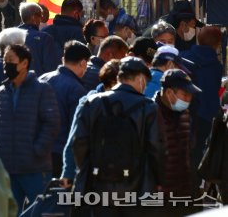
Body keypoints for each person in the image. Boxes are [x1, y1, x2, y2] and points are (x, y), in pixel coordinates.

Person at [72, 57, 160, 216]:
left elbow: (79, 143)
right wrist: (157, 182)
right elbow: (156, 148)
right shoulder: (148, 107)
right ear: (140, 78)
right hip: (137, 187)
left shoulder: (92, 103)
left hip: (98, 185)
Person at [0, 44, 60, 213]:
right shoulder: (3, 90)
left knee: (39, 210)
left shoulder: (42, 89)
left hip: (35, 166)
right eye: (4, 60)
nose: (6, 64)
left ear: (24, 63)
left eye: (10, 60)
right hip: (9, 165)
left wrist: (37, 149)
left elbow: (51, 123)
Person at [61, 59, 121, 189]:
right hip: (94, 173)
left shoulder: (129, 102)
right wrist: (68, 173)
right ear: (111, 83)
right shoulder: (89, 103)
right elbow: (74, 140)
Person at [40, 40, 90, 177]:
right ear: (83, 63)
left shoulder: (42, 79)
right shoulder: (77, 89)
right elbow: (76, 130)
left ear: (63, 59)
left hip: (38, 149)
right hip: (60, 153)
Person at [154, 69, 201, 216]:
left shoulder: (185, 115)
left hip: (183, 193)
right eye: (185, 95)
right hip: (158, 196)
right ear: (169, 93)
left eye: (190, 96)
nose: (188, 100)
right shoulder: (150, 114)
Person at [181, 26, 223, 165]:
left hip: (185, 110)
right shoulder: (216, 66)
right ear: (218, 44)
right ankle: (195, 182)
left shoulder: (184, 57)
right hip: (206, 114)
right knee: (198, 151)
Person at [17, 2, 60, 76]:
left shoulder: (8, 35)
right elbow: (51, 68)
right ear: (33, 17)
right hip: (37, 83)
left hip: (14, 84)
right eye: (40, 16)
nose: (41, 20)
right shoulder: (45, 38)